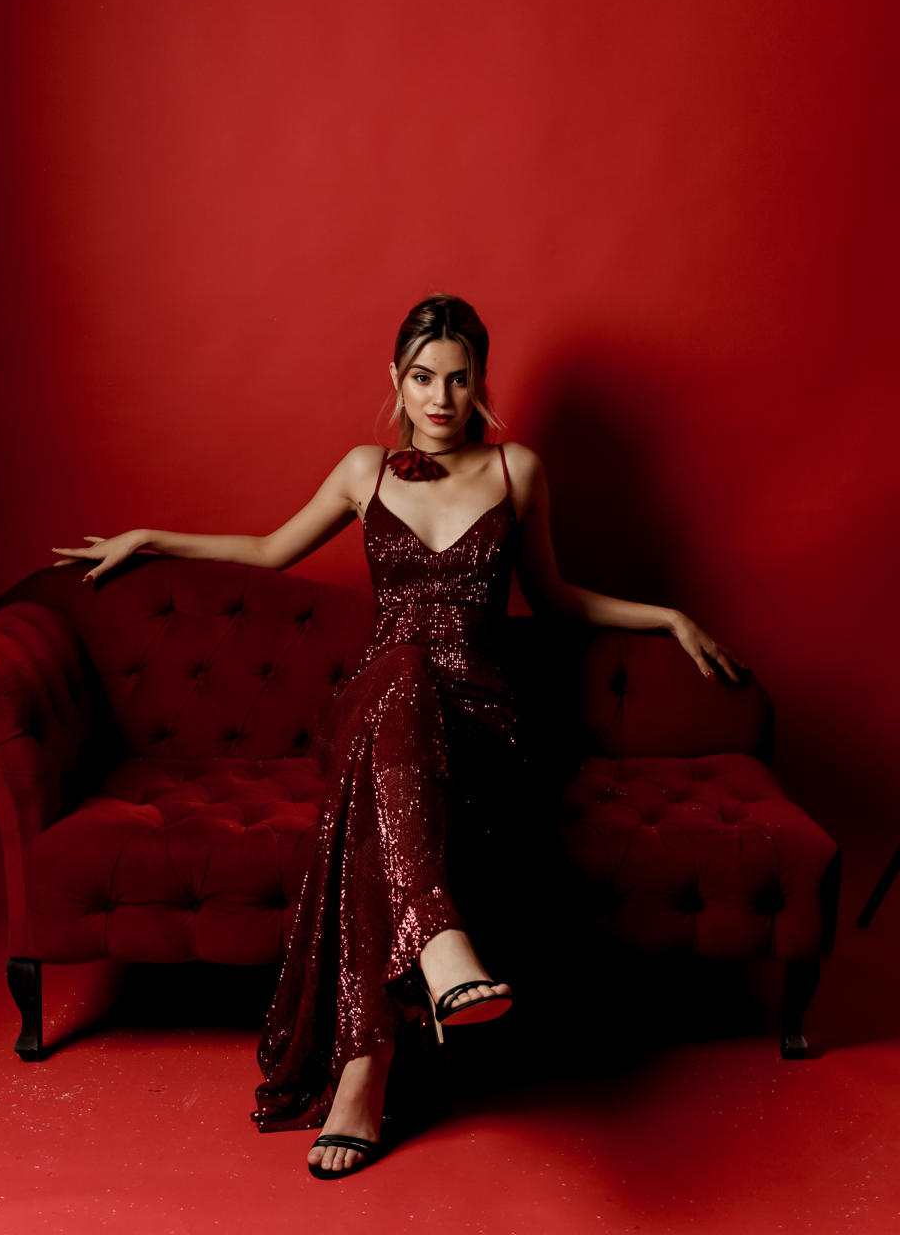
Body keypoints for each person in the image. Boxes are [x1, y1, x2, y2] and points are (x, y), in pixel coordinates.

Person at [50, 292, 746, 1181]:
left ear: (480, 382)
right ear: (396, 379)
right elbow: (268, 550)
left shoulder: (518, 471)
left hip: (483, 726)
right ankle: (438, 946)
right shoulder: (363, 471)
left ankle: (363, 1075)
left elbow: (556, 598)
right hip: (379, 703)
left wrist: (668, 617)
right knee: (403, 668)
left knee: (378, 802)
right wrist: (150, 535)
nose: (440, 399)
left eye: (458, 379)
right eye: (423, 378)